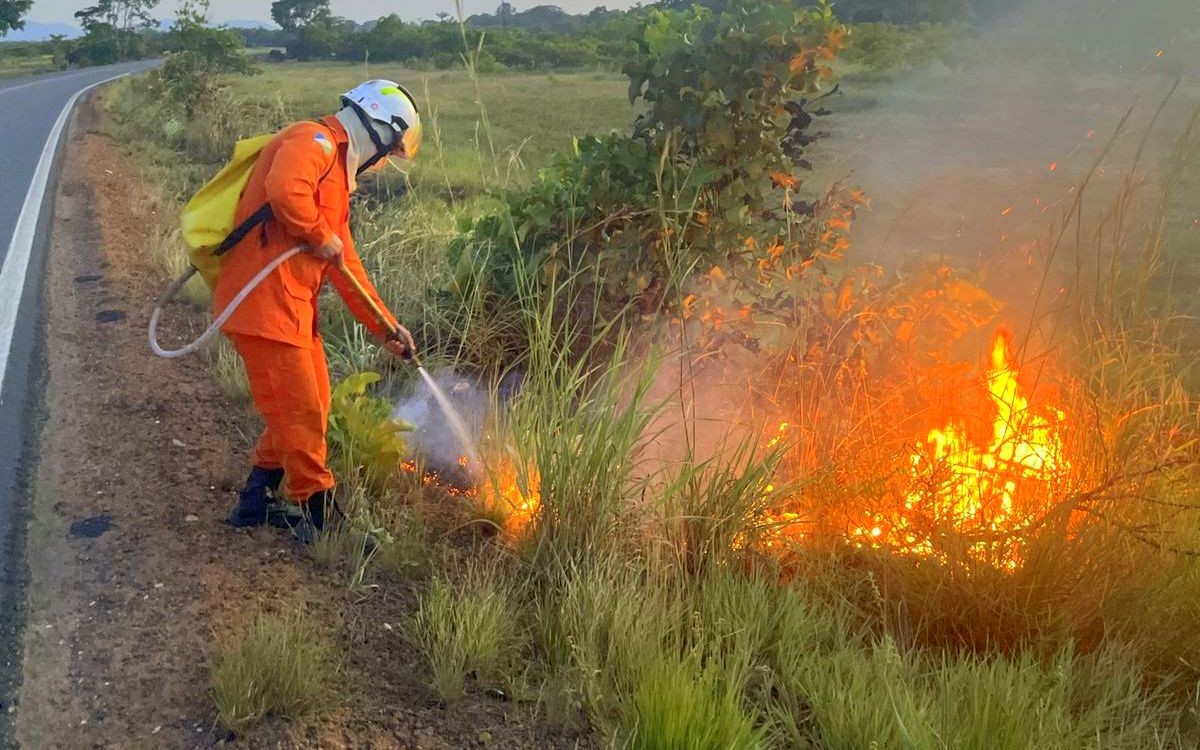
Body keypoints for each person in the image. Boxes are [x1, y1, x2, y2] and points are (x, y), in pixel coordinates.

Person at [216, 80, 421, 539]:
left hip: (292, 311)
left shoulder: (335, 180)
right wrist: (315, 232)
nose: (382, 162)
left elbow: (345, 264)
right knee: (302, 413)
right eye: (387, 150)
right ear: (376, 130)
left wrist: (386, 327)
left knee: (312, 404)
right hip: (262, 308)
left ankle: (255, 501)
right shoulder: (313, 140)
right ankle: (322, 521)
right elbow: (286, 191)